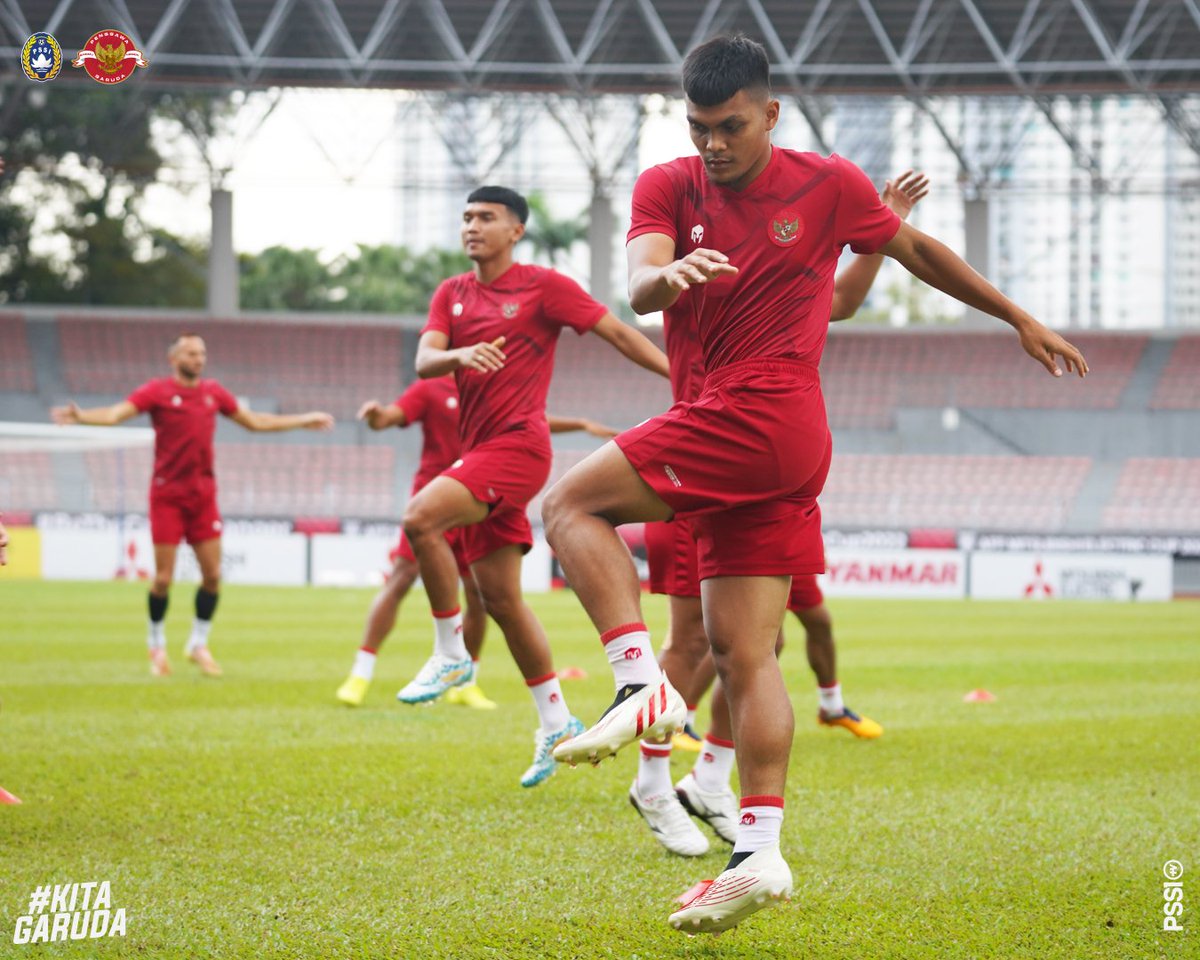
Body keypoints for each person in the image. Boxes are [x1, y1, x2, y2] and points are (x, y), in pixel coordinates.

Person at [541, 35, 1086, 933]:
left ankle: (640, 684)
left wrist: (1018, 317)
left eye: (731, 126)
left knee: (567, 504)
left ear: (770, 114)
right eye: (699, 126)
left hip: (759, 413)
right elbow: (638, 286)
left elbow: (916, 251)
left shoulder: (827, 183)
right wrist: (666, 276)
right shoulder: (669, 185)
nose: (713, 143)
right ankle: (757, 850)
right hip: (769, 441)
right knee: (745, 655)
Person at [637, 170, 928, 859]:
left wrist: (880, 230)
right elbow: (643, 289)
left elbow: (843, 301)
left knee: (761, 648)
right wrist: (667, 272)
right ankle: (651, 781)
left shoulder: (780, 284)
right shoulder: (701, 264)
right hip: (702, 457)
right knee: (693, 644)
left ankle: (710, 779)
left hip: (760, 466)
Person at [398, 185, 670, 789]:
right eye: (467, 217)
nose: (472, 226)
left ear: (516, 231)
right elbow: (424, 361)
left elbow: (618, 332)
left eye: (486, 217)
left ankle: (450, 654)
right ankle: (554, 722)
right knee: (500, 599)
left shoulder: (544, 287)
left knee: (420, 518)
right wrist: (461, 356)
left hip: (518, 447)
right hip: (477, 451)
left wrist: (681, 375)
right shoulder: (452, 293)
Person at [52, 334, 334, 678]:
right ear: (174, 359)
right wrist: (82, 416)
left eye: (201, 353)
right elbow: (115, 414)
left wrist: (302, 419)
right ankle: (156, 644)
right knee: (163, 579)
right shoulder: (156, 391)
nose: (198, 358)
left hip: (203, 496)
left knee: (213, 576)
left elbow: (256, 422)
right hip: (167, 496)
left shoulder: (213, 392)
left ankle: (198, 644)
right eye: (191, 353)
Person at [337, 376, 618, 709]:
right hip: (433, 499)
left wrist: (580, 424)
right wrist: (375, 415)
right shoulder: (431, 387)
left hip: (480, 495)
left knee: (480, 593)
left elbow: (531, 421)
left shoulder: (489, 384)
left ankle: (466, 683)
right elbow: (388, 418)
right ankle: (360, 674)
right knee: (402, 577)